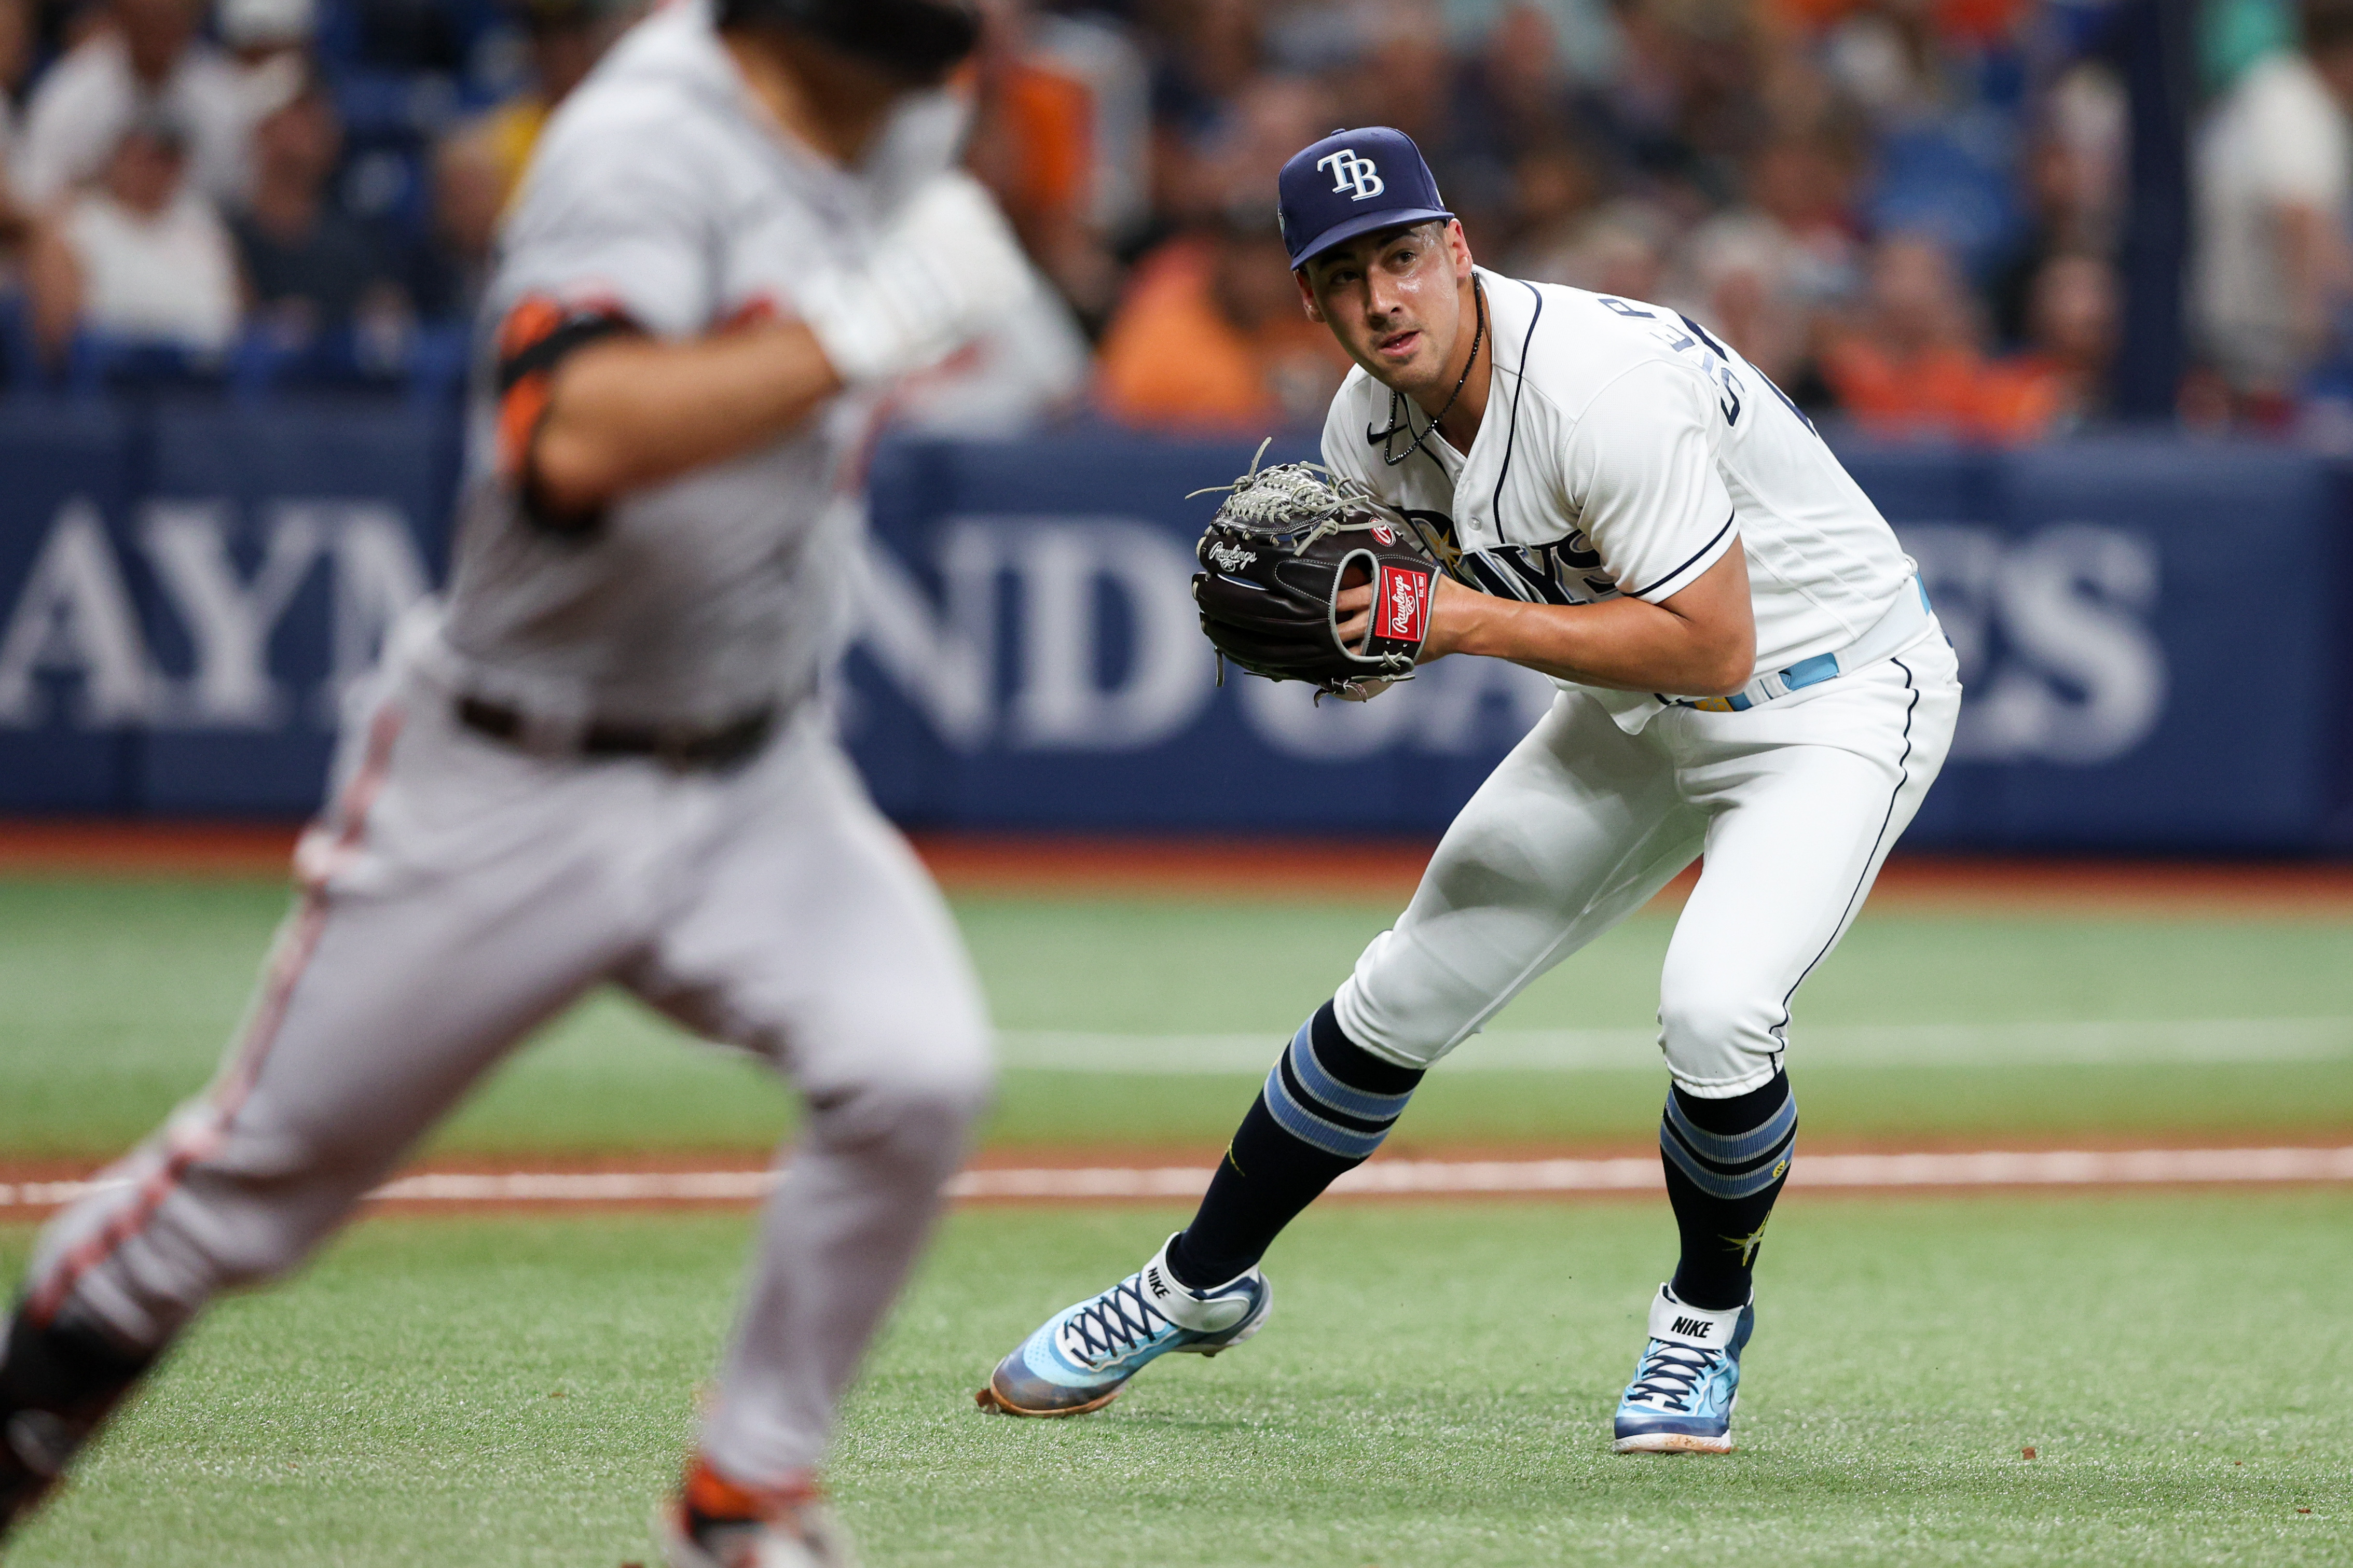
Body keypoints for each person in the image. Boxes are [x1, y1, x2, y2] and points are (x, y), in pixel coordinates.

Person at [0, 3, 1026, 1566]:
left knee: (913, 1066)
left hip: (757, 764)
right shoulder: (645, 141)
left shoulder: (894, 113)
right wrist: (855, 327)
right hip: (515, 771)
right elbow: (569, 439)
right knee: (233, 1205)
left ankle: (742, 1499)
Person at [979, 126, 1961, 1456]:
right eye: (1342, 277)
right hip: (1634, 710)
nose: (1381, 299)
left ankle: (1700, 1314)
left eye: (1399, 257)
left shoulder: (1598, 386)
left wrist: (1438, 621)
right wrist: (1355, 645)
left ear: (1455, 252)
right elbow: (1428, 632)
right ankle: (1189, 1282)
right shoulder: (1363, 424)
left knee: (1716, 1004)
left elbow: (1704, 639)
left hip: (1828, 699)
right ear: (1310, 299)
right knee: (1400, 988)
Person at [2192, 0, 2353, 422]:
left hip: (2260, 346)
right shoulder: (2290, 98)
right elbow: (2296, 216)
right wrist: (2313, 325)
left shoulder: (2288, 91)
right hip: (2255, 355)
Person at [21, 112, 240, 360]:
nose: (156, 171)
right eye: (147, 159)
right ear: (116, 160)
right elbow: (57, 334)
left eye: (168, 161)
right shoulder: (78, 222)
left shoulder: (201, 218)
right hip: (115, 380)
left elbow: (239, 309)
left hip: (204, 377)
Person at [12, 0, 256, 206]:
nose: (159, 31)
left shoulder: (222, 94)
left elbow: (237, 194)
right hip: (100, 240)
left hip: (190, 241)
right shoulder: (68, 96)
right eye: (148, 21)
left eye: (170, 19)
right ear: (121, 15)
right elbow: (39, 200)